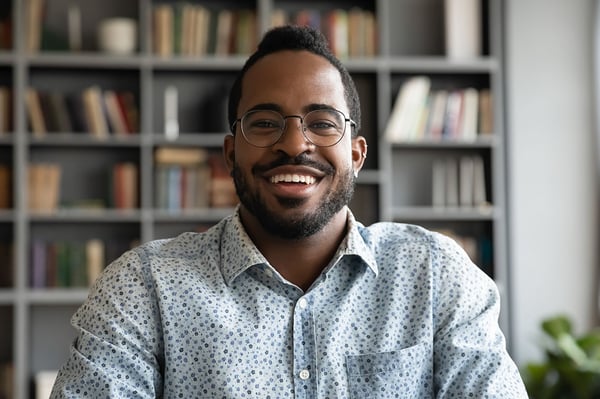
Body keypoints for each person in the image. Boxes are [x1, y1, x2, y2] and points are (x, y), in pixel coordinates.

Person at [51, 25, 528, 398]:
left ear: (358, 154)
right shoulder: (144, 288)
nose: (295, 143)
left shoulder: (436, 276)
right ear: (230, 152)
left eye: (322, 122)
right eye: (264, 123)